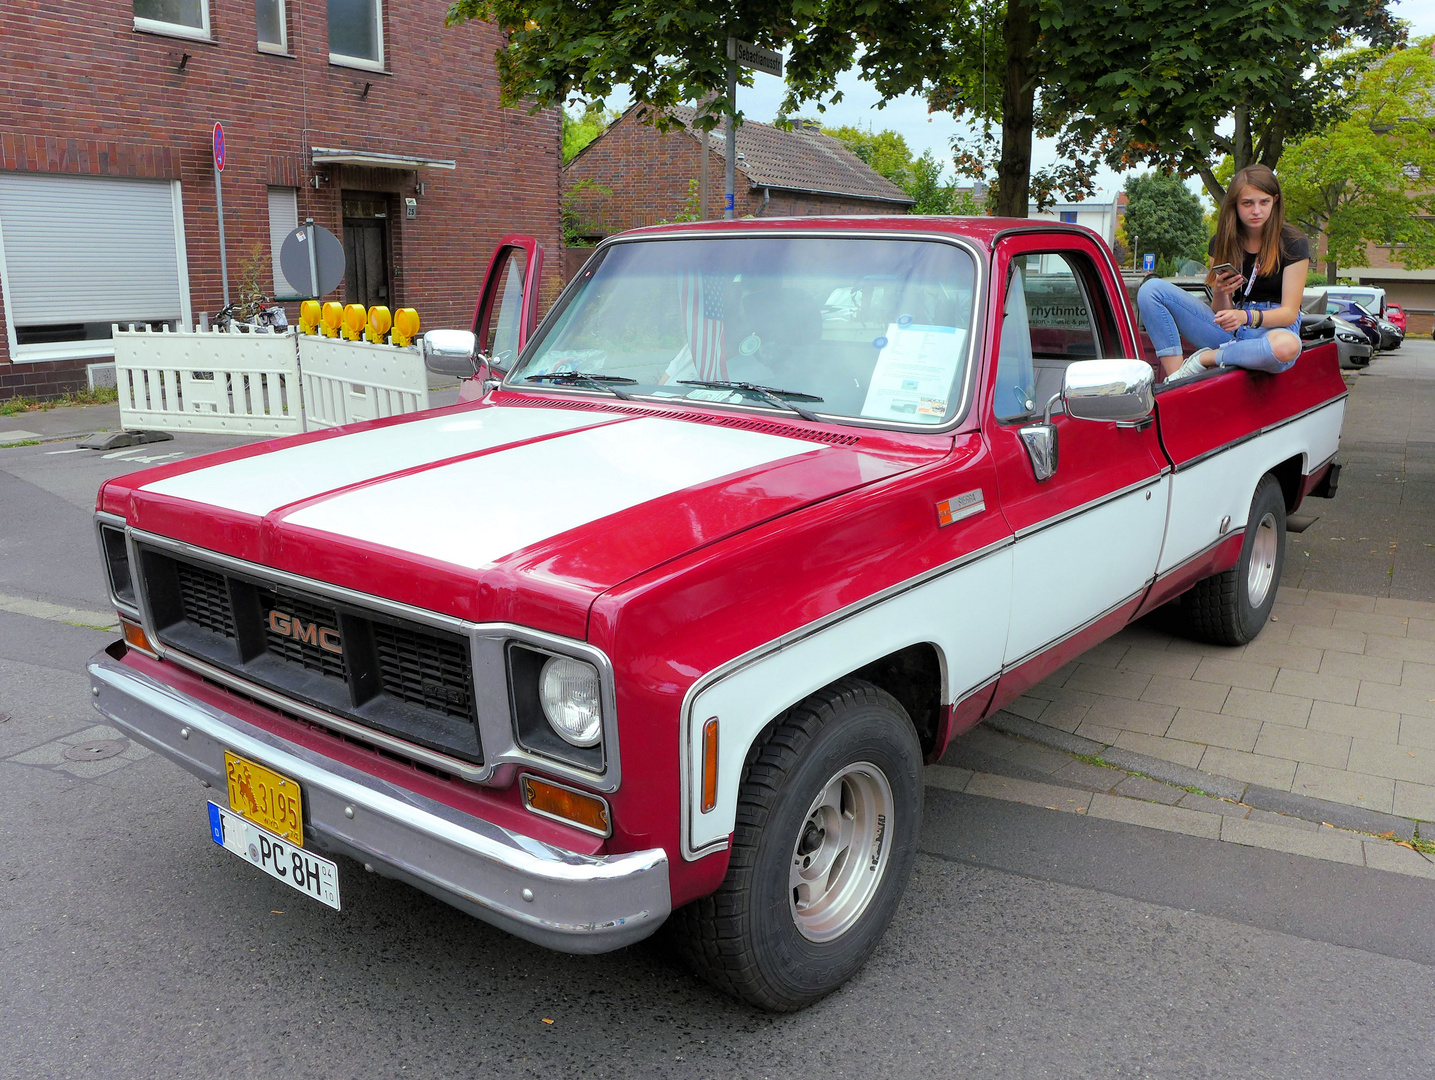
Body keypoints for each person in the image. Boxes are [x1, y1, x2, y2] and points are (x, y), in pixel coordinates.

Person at [1136, 164, 1310, 382]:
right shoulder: (1221, 242)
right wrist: (1220, 290)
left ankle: (1206, 358)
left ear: (1274, 200)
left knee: (1287, 347)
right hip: (1232, 327)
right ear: (1235, 205)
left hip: (1273, 330)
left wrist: (1245, 317)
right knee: (1151, 290)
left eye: (1264, 202)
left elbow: (1289, 313)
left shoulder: (1293, 242)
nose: (1256, 211)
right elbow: (1220, 310)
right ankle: (1178, 379)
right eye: (1248, 203)